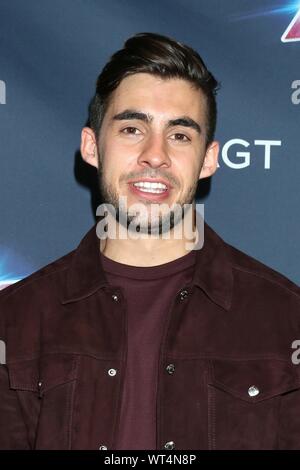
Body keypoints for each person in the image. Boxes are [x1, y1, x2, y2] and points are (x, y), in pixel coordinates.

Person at [0, 32, 299, 451]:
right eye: (132, 129)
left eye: (179, 135)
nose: (154, 155)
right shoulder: (16, 321)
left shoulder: (286, 319)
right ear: (91, 147)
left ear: (209, 159)